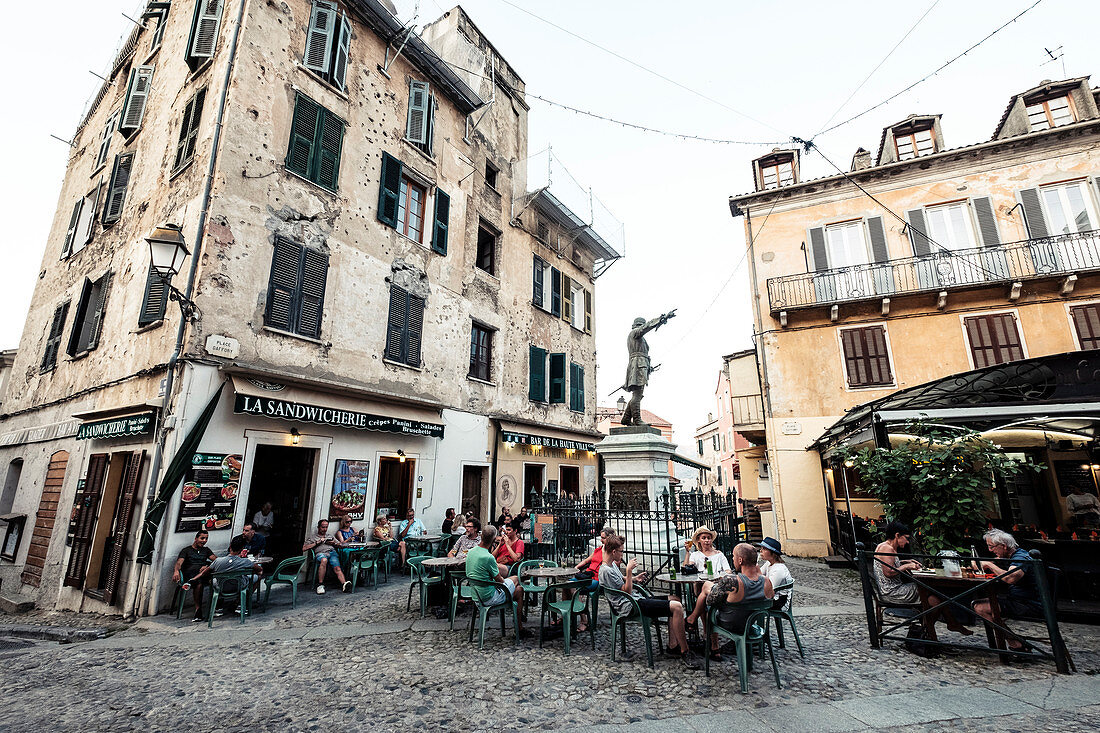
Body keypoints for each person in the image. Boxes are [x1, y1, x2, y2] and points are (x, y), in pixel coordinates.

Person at [598, 536, 695, 666]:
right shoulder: (605, 570)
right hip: (630, 606)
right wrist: (629, 570)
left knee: (675, 599)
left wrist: (634, 578)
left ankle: (673, 645)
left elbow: (623, 580)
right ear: (614, 552)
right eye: (621, 551)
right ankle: (685, 651)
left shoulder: (611, 566)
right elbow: (626, 591)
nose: (622, 554)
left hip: (636, 599)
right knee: (677, 607)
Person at [972, 529, 1042, 652]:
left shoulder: (1021, 557)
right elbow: (991, 563)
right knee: (977, 603)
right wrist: (977, 565)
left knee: (980, 608)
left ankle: (1015, 643)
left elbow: (1010, 578)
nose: (990, 550)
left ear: (1003, 546)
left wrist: (990, 565)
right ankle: (1015, 641)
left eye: (991, 547)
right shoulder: (1008, 555)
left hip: (1030, 603)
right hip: (1018, 600)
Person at [704, 543, 775, 658]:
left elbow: (710, 601)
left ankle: (714, 646)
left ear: (740, 560)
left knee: (708, 606)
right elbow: (771, 600)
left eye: (733, 556)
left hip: (729, 623)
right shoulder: (767, 582)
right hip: (751, 623)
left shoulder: (731, 581)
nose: (732, 559)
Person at [465, 525, 525, 635]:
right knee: (516, 579)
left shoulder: (471, 552)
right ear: (493, 540)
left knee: (519, 590)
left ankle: (519, 626)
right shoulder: (488, 558)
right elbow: (500, 581)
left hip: (476, 596)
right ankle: (519, 627)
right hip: (488, 597)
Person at [620, 311, 676, 426]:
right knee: (637, 394)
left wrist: (648, 367)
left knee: (637, 394)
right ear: (639, 326)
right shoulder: (635, 333)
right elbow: (645, 328)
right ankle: (637, 420)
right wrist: (660, 319)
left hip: (640, 365)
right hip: (637, 365)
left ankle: (626, 418)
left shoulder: (637, 338)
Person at [192, 536, 265, 616]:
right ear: (242, 549)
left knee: (213, 580)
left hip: (221, 587)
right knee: (257, 577)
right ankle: (240, 603)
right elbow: (259, 569)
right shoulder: (245, 561)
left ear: (230, 547)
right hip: (238, 586)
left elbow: (204, 573)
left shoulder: (218, 561)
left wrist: (193, 579)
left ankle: (218, 606)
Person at [872, 521, 922, 604]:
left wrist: (905, 562)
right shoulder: (887, 548)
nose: (907, 542)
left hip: (888, 592)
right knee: (925, 588)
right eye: (906, 538)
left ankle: (925, 615)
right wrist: (907, 566)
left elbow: (888, 564)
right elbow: (889, 572)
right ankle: (926, 616)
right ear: (897, 535)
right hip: (892, 593)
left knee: (927, 591)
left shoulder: (883, 545)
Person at [173, 531, 217, 622]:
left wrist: (207, 566)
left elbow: (216, 560)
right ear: (196, 538)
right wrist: (176, 571)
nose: (204, 541)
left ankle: (216, 606)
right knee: (199, 583)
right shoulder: (186, 550)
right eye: (202, 538)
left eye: (206, 539)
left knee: (213, 577)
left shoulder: (206, 550)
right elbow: (179, 562)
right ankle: (198, 610)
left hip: (203, 574)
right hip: (190, 574)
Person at [303, 519, 351, 594]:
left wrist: (334, 543)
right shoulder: (313, 537)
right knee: (324, 560)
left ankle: (344, 584)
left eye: (326, 527)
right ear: (318, 527)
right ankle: (320, 585)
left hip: (332, 553)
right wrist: (317, 542)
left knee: (337, 567)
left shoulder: (329, 535)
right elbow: (304, 548)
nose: (325, 529)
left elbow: (340, 544)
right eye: (323, 527)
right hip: (321, 553)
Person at [757, 537, 794, 609]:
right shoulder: (768, 563)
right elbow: (758, 574)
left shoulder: (779, 569)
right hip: (773, 597)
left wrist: (756, 565)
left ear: (773, 553)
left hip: (779, 601)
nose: (761, 551)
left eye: (764, 549)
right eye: (761, 548)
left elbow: (768, 590)